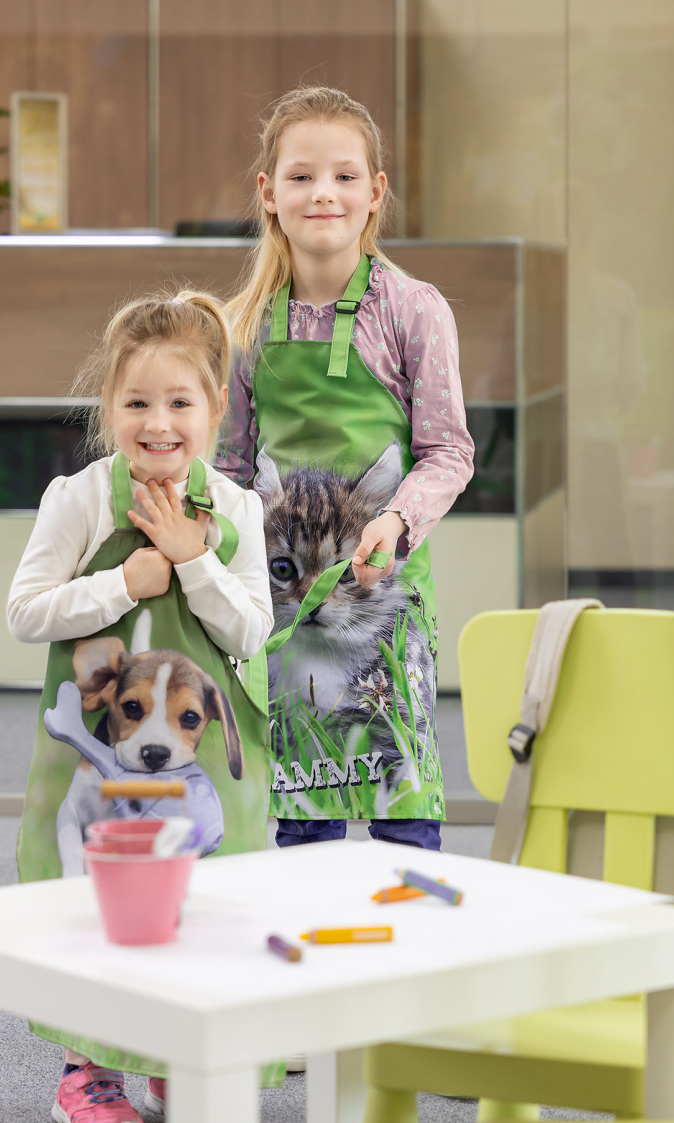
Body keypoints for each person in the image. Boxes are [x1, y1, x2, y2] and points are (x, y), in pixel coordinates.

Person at [7, 289, 274, 1123]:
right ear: (108, 408)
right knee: (94, 891)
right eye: (136, 403)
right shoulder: (78, 499)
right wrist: (124, 584)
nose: (158, 423)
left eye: (180, 403)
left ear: (216, 409)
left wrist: (195, 563)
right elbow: (25, 612)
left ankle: (175, 1051)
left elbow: (253, 630)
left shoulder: (235, 512)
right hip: (94, 760)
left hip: (204, 756)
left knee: (205, 882)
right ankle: (90, 1066)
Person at [218, 86, 475, 853]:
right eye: (300, 176)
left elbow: (449, 451)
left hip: (384, 592)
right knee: (302, 813)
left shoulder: (414, 309)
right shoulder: (243, 326)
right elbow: (232, 463)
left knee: (405, 803)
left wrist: (395, 523)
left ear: (374, 194)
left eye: (343, 176)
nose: (322, 193)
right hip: (281, 602)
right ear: (269, 194)